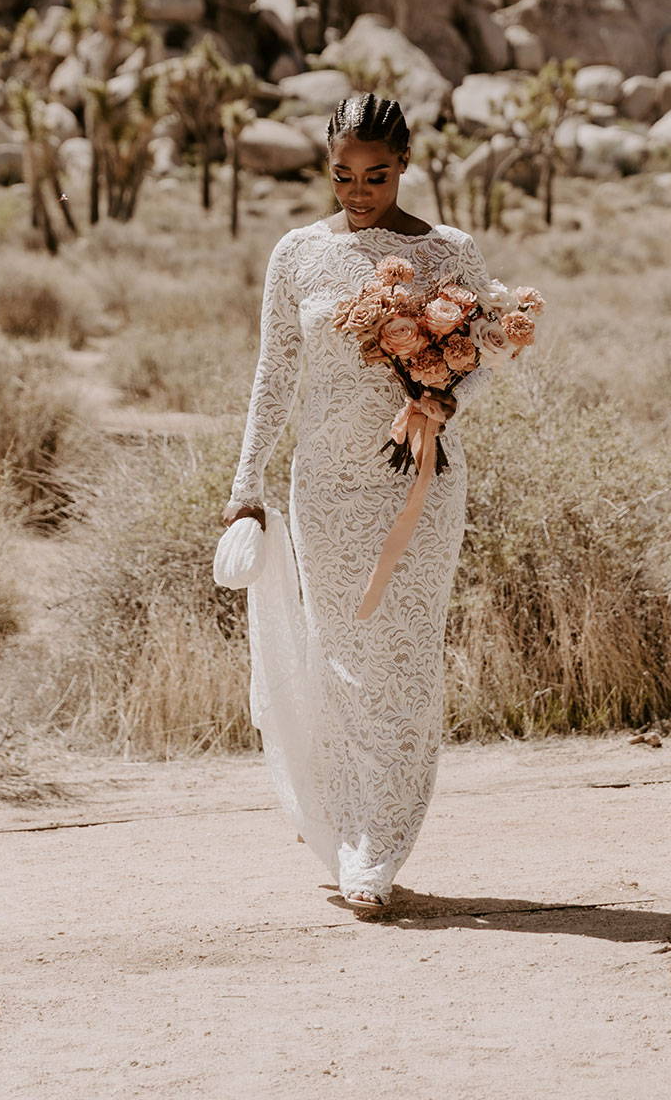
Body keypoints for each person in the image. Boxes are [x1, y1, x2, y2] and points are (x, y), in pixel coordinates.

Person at [222, 92, 494, 912]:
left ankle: (382, 837)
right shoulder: (297, 253)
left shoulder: (450, 252)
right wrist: (245, 485)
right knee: (337, 656)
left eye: (375, 175)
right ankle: (348, 830)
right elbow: (274, 376)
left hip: (421, 480)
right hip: (327, 487)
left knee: (405, 656)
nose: (358, 192)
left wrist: (443, 400)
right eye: (343, 175)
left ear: (405, 165)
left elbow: (478, 352)